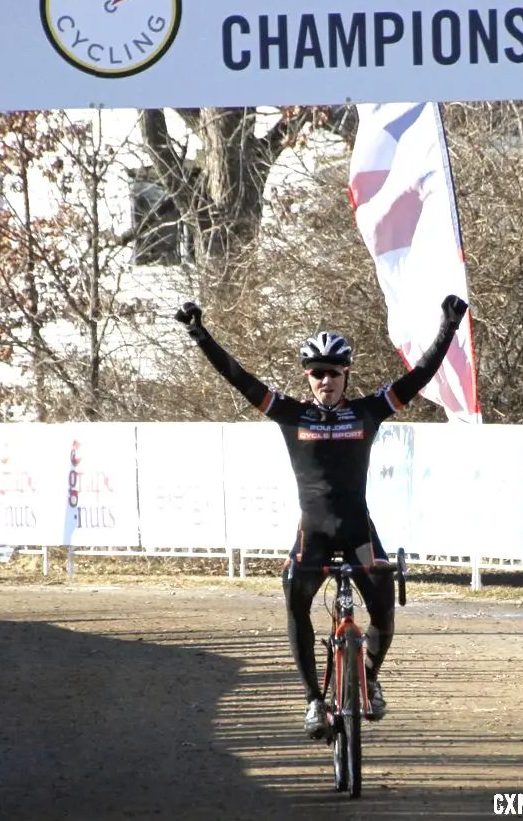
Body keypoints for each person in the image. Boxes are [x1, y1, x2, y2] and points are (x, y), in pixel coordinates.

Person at [175, 294, 469, 738]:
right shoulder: (292, 416)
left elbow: (419, 376)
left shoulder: (367, 412)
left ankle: (368, 677)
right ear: (307, 376)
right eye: (317, 372)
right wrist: (201, 335)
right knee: (295, 597)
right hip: (312, 532)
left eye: (334, 371)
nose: (325, 379)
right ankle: (313, 700)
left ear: (346, 373)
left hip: (357, 531)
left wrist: (447, 327)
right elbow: (241, 379)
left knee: (385, 610)